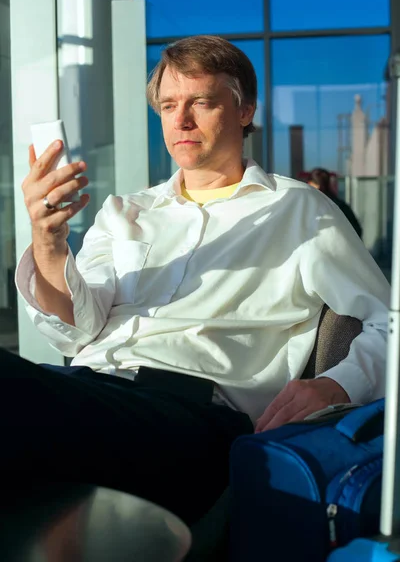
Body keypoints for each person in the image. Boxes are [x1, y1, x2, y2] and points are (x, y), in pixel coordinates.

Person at [1, 36, 389, 525]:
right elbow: (75, 330)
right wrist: (48, 241)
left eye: (200, 103)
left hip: (198, 420)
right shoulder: (125, 212)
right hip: (96, 392)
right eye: (168, 106)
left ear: (245, 109)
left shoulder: (299, 210)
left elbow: (389, 322)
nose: (180, 120)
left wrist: (337, 385)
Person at [308, 167, 363, 238]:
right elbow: (357, 230)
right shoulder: (339, 204)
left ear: (315, 185)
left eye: (309, 184)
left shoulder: (312, 206)